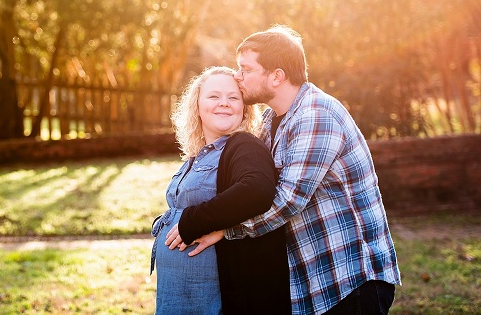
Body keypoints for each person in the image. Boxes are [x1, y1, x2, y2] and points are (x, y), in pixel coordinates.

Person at [166, 25, 401, 315]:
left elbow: (288, 200)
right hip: (314, 280)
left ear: (277, 76)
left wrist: (225, 230)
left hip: (349, 278)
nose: (238, 77)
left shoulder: (316, 114)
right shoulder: (270, 121)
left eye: (246, 69)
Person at [151, 66, 291, 315]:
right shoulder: (198, 156)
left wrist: (191, 222)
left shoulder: (244, 146)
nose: (224, 103)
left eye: (233, 97)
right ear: (197, 106)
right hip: (177, 294)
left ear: (244, 109)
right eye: (214, 96)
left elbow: (256, 190)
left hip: (210, 296)